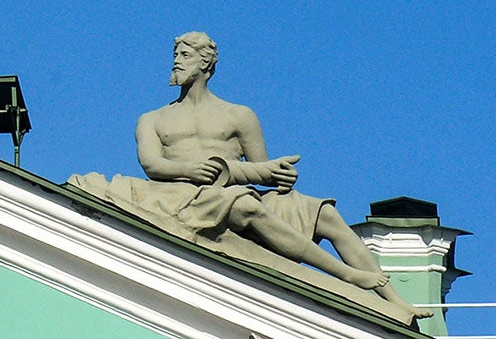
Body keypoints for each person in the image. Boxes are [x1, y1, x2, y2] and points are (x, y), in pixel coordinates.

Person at [71, 33, 425, 318]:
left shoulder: (239, 116)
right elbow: (152, 165)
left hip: (235, 192)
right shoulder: (153, 118)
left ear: (206, 63)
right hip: (181, 195)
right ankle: (345, 275)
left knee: (323, 213)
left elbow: (262, 172)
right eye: (176, 54)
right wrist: (189, 169)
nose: (176, 61)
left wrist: (279, 176)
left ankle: (392, 299)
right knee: (241, 204)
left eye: (185, 55)